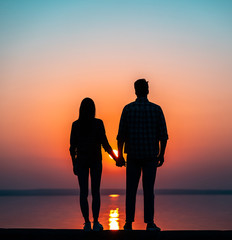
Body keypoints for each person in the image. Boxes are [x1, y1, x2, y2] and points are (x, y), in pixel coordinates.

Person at [116, 79, 168, 231]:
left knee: (130, 190)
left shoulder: (128, 109)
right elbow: (163, 135)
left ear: (135, 91)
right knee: (149, 191)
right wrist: (162, 154)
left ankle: (128, 223)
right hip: (151, 156)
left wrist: (120, 155)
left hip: (132, 156)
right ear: (147, 90)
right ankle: (150, 223)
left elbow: (121, 136)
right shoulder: (156, 109)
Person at [70, 97, 118, 231]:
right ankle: (95, 222)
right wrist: (116, 158)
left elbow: (72, 148)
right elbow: (106, 145)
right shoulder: (98, 123)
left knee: (83, 192)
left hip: (82, 162)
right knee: (95, 192)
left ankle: (87, 223)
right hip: (95, 161)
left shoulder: (76, 125)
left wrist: (74, 163)